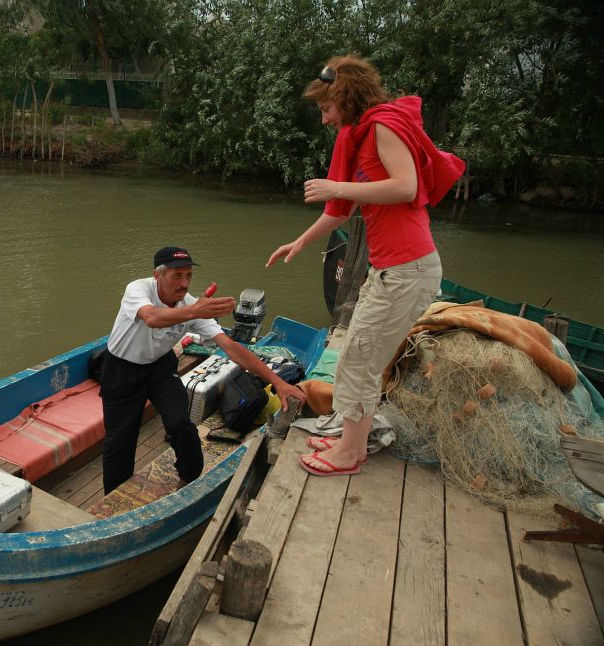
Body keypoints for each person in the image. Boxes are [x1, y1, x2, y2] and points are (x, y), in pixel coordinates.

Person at [266, 55, 465, 476]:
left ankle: (349, 455)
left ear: (345, 98)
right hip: (390, 268)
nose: (324, 120)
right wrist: (300, 241)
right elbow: (341, 212)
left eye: (326, 109)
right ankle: (352, 440)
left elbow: (406, 185)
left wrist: (337, 185)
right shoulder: (362, 135)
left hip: (408, 269)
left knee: (359, 358)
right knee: (357, 358)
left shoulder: (381, 127)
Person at [99, 246, 308, 494]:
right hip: (122, 369)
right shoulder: (139, 289)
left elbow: (232, 348)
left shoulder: (192, 307)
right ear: (158, 275)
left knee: (181, 424)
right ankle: (114, 494)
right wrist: (195, 310)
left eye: (188, 276)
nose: (184, 283)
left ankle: (189, 477)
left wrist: (279, 382)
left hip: (159, 368)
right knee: (120, 438)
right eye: (177, 276)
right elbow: (152, 317)